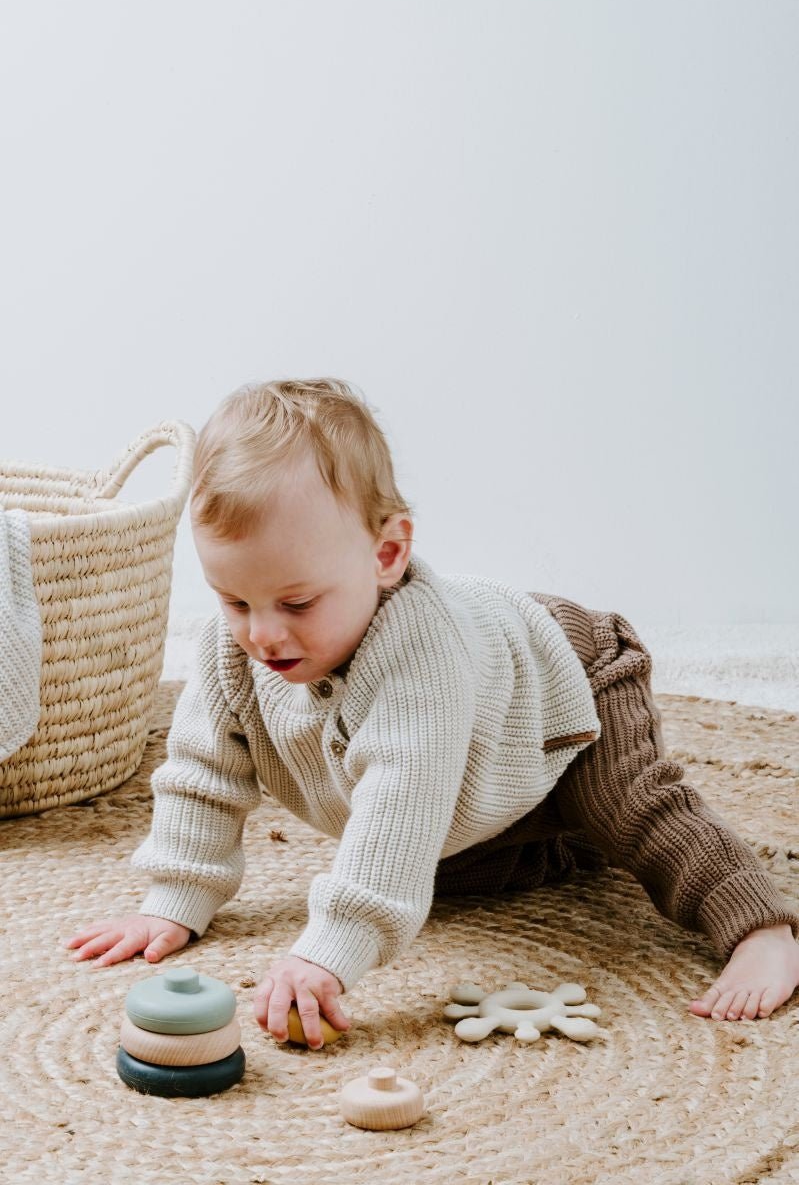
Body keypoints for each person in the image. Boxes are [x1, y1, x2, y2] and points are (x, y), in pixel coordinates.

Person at [65, 378, 799, 1049]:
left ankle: (760, 930)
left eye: (297, 602)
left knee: (627, 809)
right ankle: (562, 838)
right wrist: (175, 899)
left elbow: (398, 803)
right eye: (234, 601)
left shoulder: (419, 651)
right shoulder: (234, 651)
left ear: (386, 553)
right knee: (439, 868)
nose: (263, 634)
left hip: (566, 683)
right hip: (479, 765)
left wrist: (326, 955)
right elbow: (202, 775)